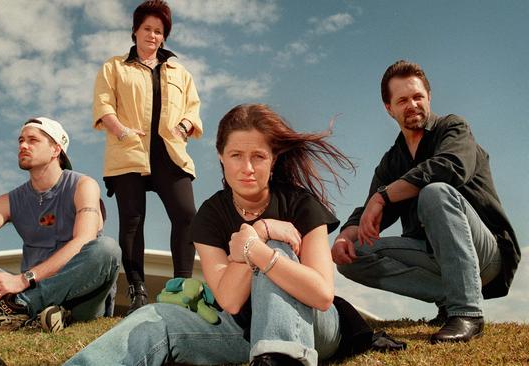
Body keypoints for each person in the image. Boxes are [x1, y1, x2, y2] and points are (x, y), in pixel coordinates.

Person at [63, 104, 371, 366]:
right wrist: (258, 233)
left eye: (259, 157)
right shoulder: (211, 214)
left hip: (316, 327)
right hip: (244, 329)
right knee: (157, 316)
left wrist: (257, 248)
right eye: (236, 155)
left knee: (276, 247)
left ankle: (283, 356)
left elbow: (321, 295)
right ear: (221, 157)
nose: (247, 168)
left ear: (274, 160)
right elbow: (230, 301)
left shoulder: (300, 204)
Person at [331, 60, 521, 343]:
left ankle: (467, 312)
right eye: (403, 100)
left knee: (435, 191)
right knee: (352, 255)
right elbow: (371, 210)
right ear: (389, 108)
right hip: (430, 254)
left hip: (485, 254)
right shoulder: (392, 160)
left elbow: (450, 166)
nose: (413, 105)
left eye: (418, 97)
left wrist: (384, 195)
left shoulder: (453, 127)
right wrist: (346, 235)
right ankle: (449, 297)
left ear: (428, 97)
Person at [0, 117, 121, 334]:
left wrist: (24, 279)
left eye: (33, 140)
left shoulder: (83, 185)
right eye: (21, 140)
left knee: (106, 250)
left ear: (55, 150)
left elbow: (84, 240)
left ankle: (21, 308)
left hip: (78, 298)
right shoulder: (10, 200)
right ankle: (31, 313)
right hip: (24, 290)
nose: (23, 145)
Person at [92, 0, 203, 315]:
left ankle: (182, 288)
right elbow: (103, 104)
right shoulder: (114, 67)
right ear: (135, 32)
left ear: (164, 37)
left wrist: (184, 125)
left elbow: (193, 107)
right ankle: (137, 290)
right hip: (128, 150)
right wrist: (121, 130)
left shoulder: (179, 71)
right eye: (147, 29)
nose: (153, 36)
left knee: (186, 215)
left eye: (159, 31)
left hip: (170, 153)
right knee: (132, 221)